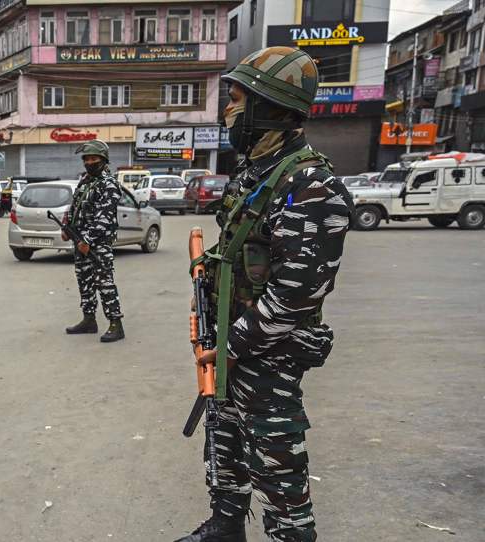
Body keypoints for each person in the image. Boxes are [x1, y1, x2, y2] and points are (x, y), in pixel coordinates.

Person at [175, 47, 353, 542]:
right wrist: (207, 284)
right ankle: (227, 525)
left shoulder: (311, 186)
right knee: (224, 442)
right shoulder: (257, 174)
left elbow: (293, 299)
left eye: (235, 99)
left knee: (277, 466)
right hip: (234, 342)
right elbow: (235, 249)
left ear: (267, 106)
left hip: (268, 353)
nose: (228, 110)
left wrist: (228, 348)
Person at [63, 139, 124, 343]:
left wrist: (88, 239)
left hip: (98, 244)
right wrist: (67, 225)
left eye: (94, 158)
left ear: (103, 160)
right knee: (85, 282)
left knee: (104, 283)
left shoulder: (109, 184)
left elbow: (104, 217)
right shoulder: (85, 181)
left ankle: (116, 323)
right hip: (80, 241)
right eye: (86, 159)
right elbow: (76, 205)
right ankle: (89, 320)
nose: (90, 162)